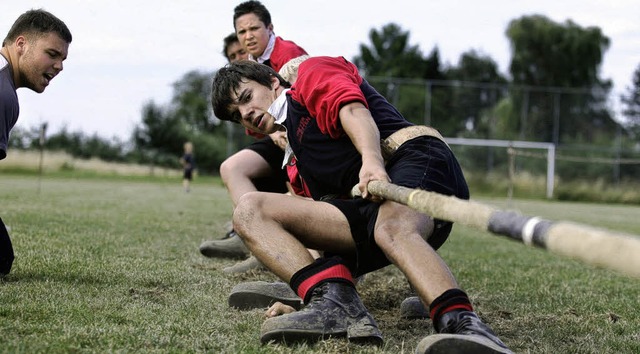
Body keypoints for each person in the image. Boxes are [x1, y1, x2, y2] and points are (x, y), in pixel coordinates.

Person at [210, 57, 513, 353]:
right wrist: (305, 293)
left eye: (247, 97)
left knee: (389, 227)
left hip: (413, 160)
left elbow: (352, 109)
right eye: (237, 115)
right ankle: (334, 303)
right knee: (250, 210)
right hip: (371, 209)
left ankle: (467, 327)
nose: (246, 113)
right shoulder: (296, 161)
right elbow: (319, 233)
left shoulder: (310, 75)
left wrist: (372, 162)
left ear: (273, 81)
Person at [199, 0, 308, 274]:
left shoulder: (289, 52)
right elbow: (252, 126)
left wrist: (287, 134)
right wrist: (273, 136)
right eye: (241, 32)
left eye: (254, 28)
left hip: (302, 134)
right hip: (276, 138)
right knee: (232, 167)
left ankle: (297, 251)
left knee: (299, 183)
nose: (248, 36)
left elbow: (302, 100)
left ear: (270, 28)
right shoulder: (248, 64)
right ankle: (252, 238)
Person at [0, 9, 72, 277]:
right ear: (21, 44)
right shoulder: (3, 94)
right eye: (52, 54)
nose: (59, 66)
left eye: (63, 59)